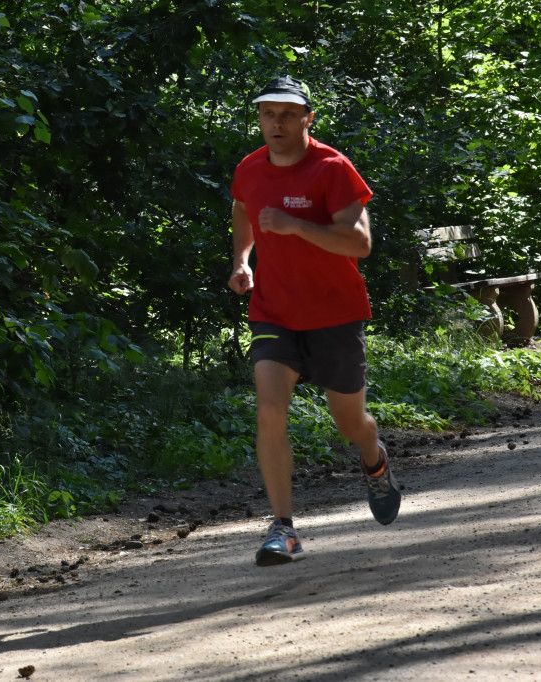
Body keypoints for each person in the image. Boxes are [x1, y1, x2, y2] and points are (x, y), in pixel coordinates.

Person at [228, 75, 401, 567]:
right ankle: (284, 530)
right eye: (267, 113)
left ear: (308, 118)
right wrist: (242, 260)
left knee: (350, 424)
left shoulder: (332, 168)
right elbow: (242, 208)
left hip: (333, 312)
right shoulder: (250, 168)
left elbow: (359, 244)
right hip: (274, 311)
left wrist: (297, 226)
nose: (276, 123)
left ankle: (374, 459)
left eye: (287, 114)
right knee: (269, 407)